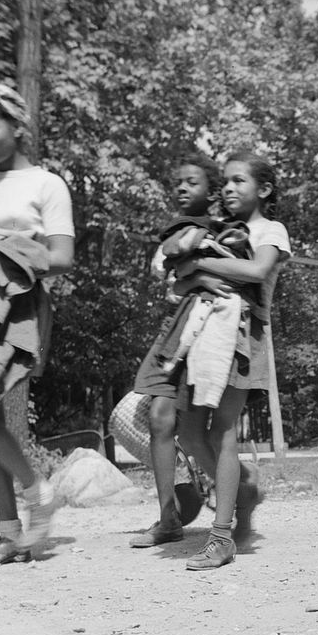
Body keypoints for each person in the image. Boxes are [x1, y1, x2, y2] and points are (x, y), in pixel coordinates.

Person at [170, 150, 291, 569]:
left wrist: (201, 261)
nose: (229, 188)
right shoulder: (219, 228)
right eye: (225, 181)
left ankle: (221, 537)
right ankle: (243, 487)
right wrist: (196, 270)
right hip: (202, 335)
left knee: (222, 430)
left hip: (243, 337)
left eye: (240, 180)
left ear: (265, 189)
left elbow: (257, 272)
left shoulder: (270, 229)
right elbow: (177, 277)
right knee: (187, 432)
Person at [0, 81, 75, 566]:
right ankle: (10, 533)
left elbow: (61, 257)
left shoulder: (46, 184)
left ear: (16, 125)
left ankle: (38, 493)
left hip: (16, 309)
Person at [129, 154, 223, 548]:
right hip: (177, 330)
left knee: (196, 427)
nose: (183, 188)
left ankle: (237, 491)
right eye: (179, 182)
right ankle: (169, 516)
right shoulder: (183, 230)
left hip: (205, 331)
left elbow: (181, 263)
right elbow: (168, 260)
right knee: (159, 417)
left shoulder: (218, 229)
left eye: (193, 182)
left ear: (213, 193)